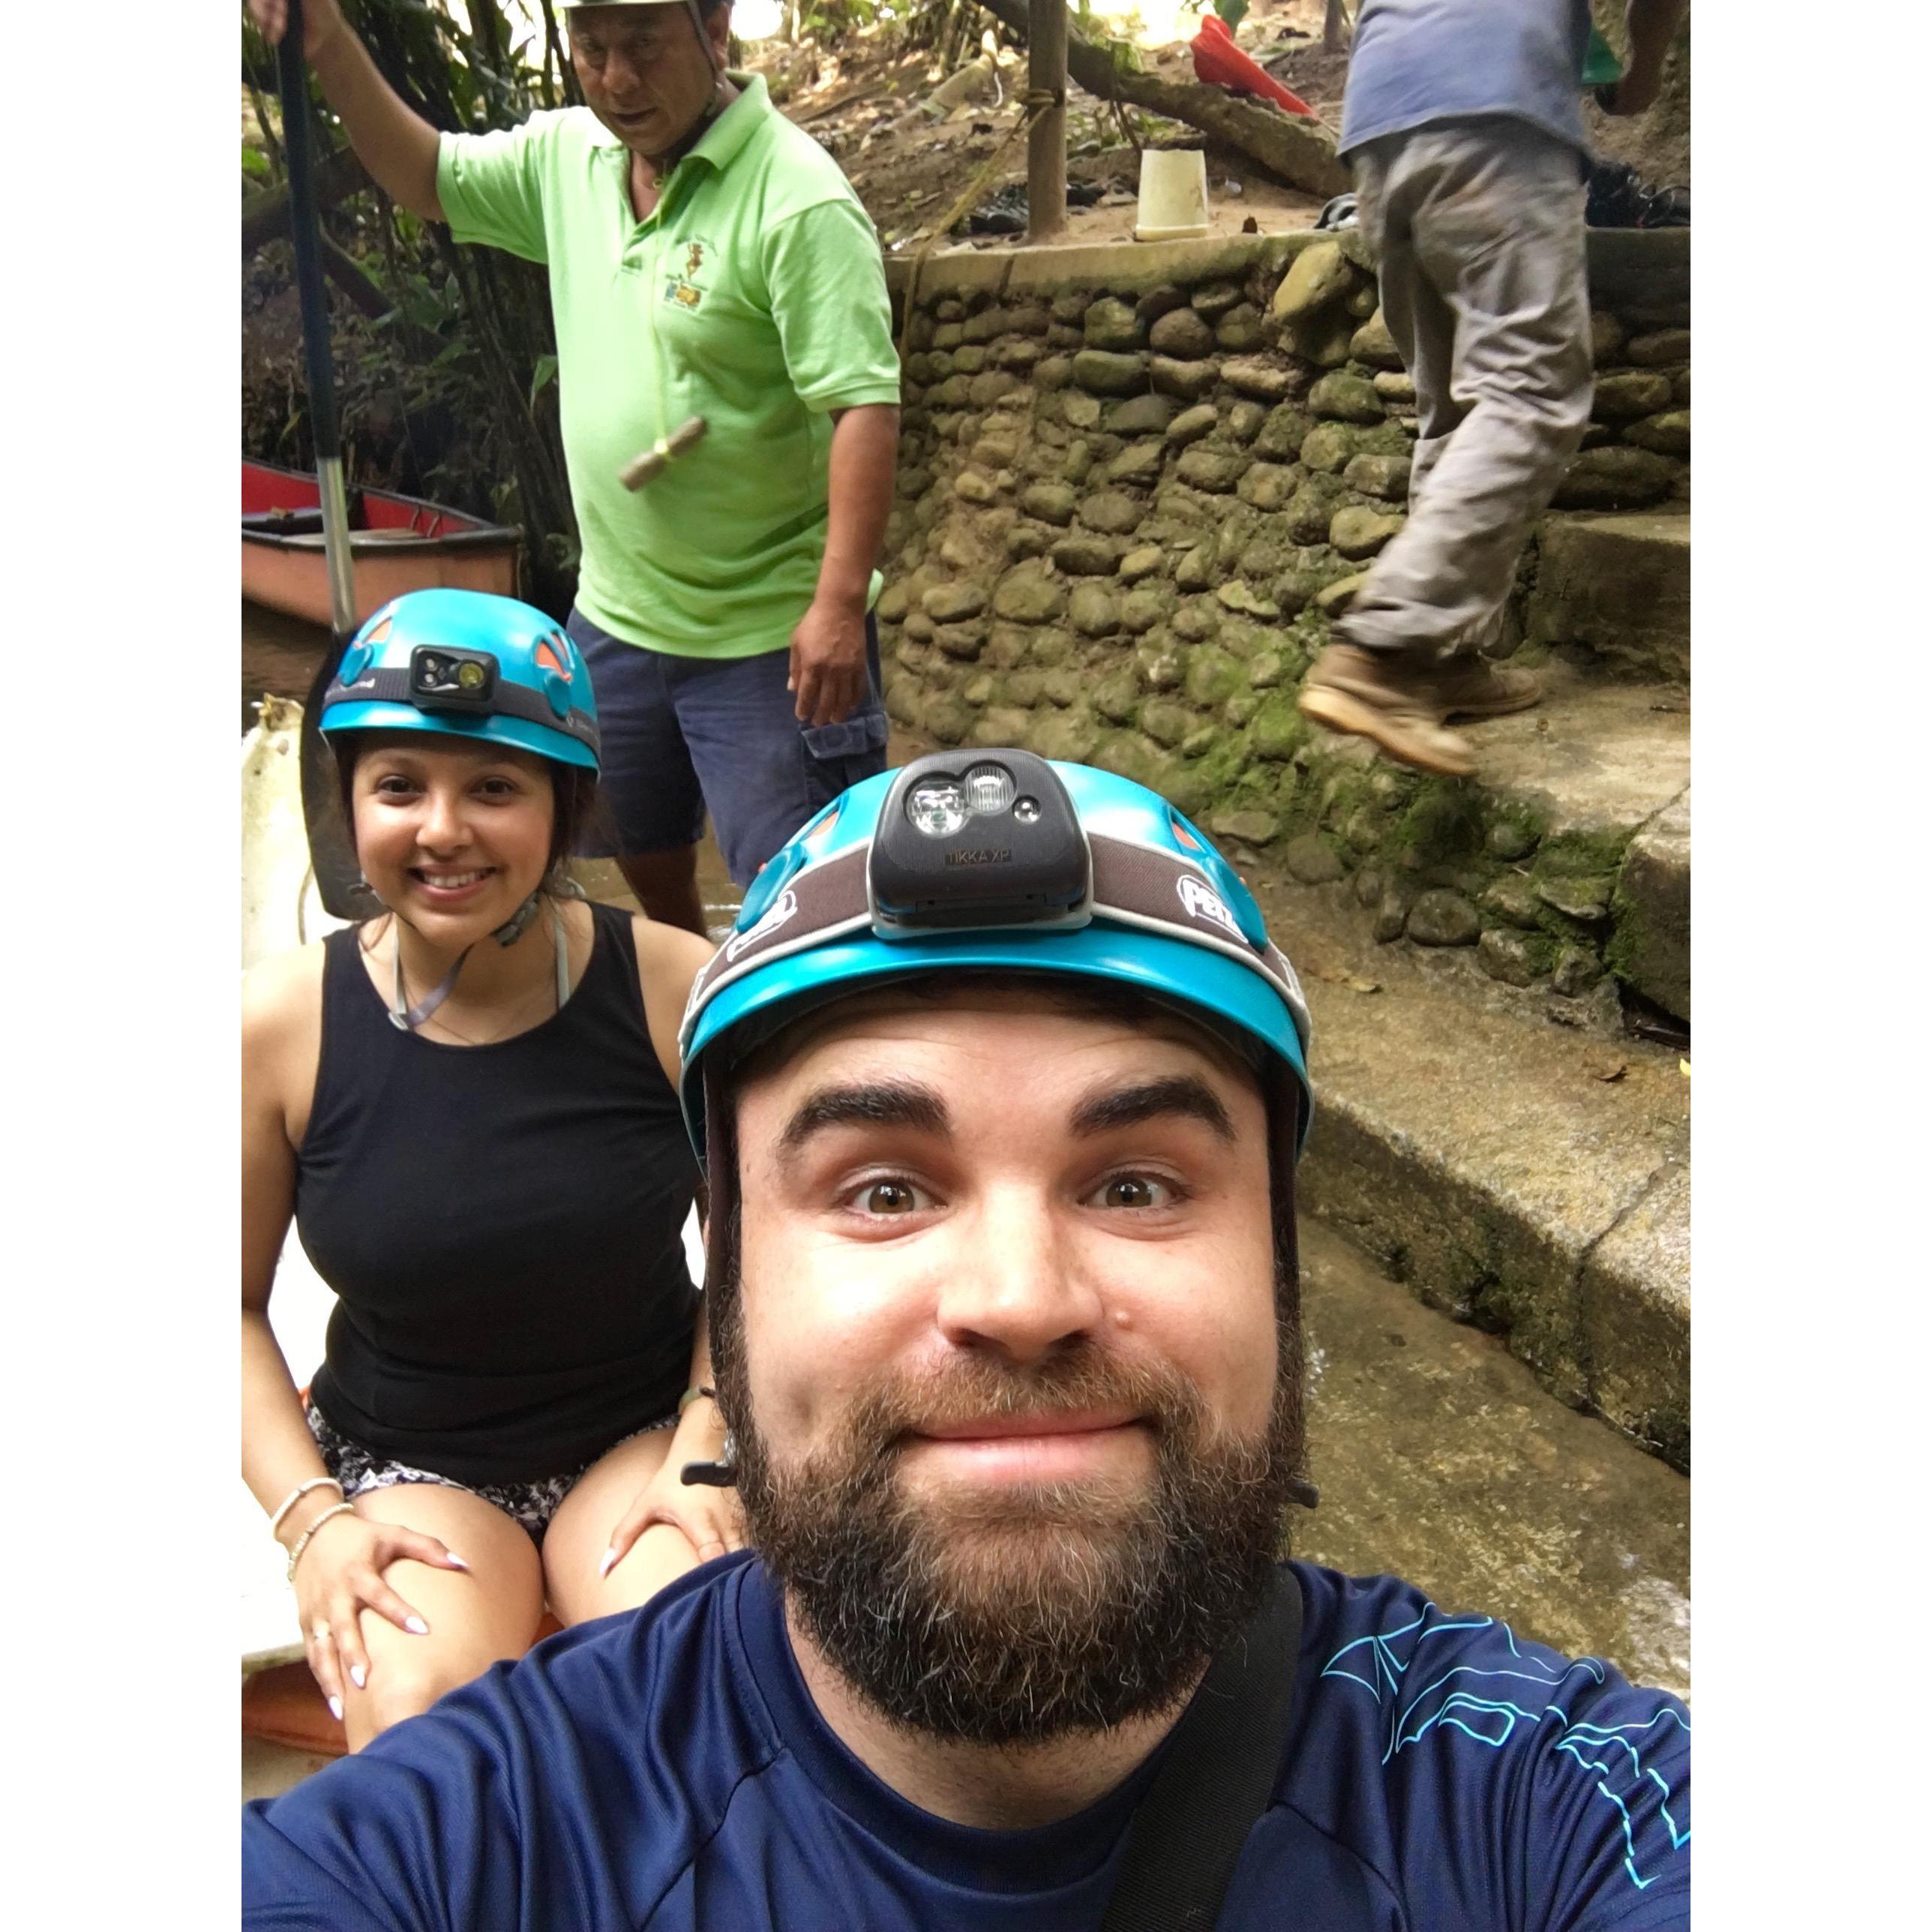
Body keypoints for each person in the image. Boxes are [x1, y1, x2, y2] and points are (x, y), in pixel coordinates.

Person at [244, 749, 1690, 1927]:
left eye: (1137, 1184)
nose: (1017, 1294)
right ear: (732, 1284)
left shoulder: (1554, 1806)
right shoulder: (456, 1841)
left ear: (1279, 1271)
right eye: (882, 1189)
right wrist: (313, 1510)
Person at [247, 0, 902, 929]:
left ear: (713, 29)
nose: (616, 78)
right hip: (616, 614)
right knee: (630, 842)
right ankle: (684, 989)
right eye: (591, 49)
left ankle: (779, 1037)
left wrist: (836, 606)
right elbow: (425, 173)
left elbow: (862, 405)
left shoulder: (798, 199)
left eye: (643, 44)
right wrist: (331, 44)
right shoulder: (570, 159)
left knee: (806, 897)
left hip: (766, 632)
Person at [242, 588, 736, 1750]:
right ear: (350, 804)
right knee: (421, 1725)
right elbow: (220, 1306)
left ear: (565, 809)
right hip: (411, 1453)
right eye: (400, 785)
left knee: (695, 1681)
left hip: (645, 1429)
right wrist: (313, 1521)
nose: (444, 830)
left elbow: (762, 1248)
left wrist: (711, 1436)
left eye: (496, 787)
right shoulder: (280, 1026)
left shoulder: (677, 988)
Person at [1298, 0, 1689, 777]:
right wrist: (1638, 77)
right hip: (1492, 117)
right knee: (1530, 393)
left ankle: (1445, 659)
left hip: (1380, 126)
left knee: (1448, 407)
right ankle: (1386, 651)